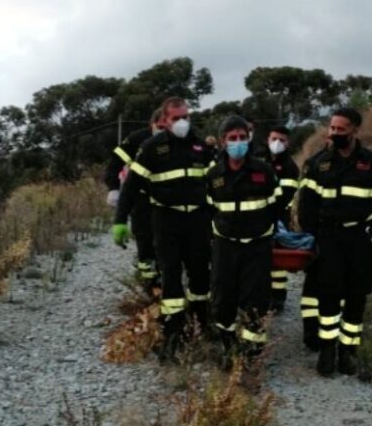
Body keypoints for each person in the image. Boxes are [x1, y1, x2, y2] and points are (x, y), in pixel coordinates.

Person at [298, 107, 372, 376]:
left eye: (341, 129)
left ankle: (348, 351)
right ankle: (327, 350)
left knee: (357, 293)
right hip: (328, 235)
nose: (334, 133)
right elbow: (306, 206)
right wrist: (310, 236)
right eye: (332, 128)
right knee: (329, 292)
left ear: (355, 131)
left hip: (363, 234)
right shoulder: (318, 163)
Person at [112, 97, 214, 360]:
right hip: (167, 222)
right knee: (170, 278)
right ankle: (172, 336)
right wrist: (120, 220)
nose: (181, 122)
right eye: (175, 118)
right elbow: (131, 186)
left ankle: (201, 326)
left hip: (198, 221)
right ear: (165, 121)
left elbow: (217, 183)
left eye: (185, 117)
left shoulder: (200, 146)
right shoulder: (152, 148)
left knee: (200, 277)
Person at [205, 115, 280, 364]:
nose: (238, 142)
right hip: (225, 245)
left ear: (249, 139)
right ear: (222, 142)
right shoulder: (213, 175)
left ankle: (252, 353)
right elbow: (208, 210)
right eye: (232, 138)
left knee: (256, 301)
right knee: (222, 299)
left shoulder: (264, 171)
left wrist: (266, 232)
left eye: (242, 137)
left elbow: (276, 207)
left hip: (257, 246)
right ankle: (227, 346)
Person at [104, 109, 166, 293]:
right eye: (160, 127)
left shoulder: (177, 141)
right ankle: (149, 283)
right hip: (141, 198)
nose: (163, 131)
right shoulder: (136, 140)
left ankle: (165, 278)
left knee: (165, 241)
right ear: (152, 124)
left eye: (167, 127)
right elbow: (114, 163)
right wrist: (113, 188)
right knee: (144, 240)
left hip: (167, 200)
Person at [264, 126, 301, 313]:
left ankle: (278, 299)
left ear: (288, 143)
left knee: (277, 260)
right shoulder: (259, 159)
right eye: (274, 138)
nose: (277, 143)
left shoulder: (290, 167)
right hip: (258, 216)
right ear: (267, 139)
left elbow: (285, 196)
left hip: (279, 217)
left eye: (282, 140)